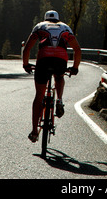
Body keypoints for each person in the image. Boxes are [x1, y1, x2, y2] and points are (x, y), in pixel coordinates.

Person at [23, 10, 81, 143]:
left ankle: (34, 131)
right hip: (60, 60)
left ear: (45, 19)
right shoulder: (66, 27)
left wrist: (26, 64)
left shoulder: (40, 26)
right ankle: (59, 100)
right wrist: (75, 68)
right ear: (57, 19)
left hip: (43, 60)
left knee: (39, 96)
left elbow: (27, 48)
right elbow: (77, 49)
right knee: (59, 77)